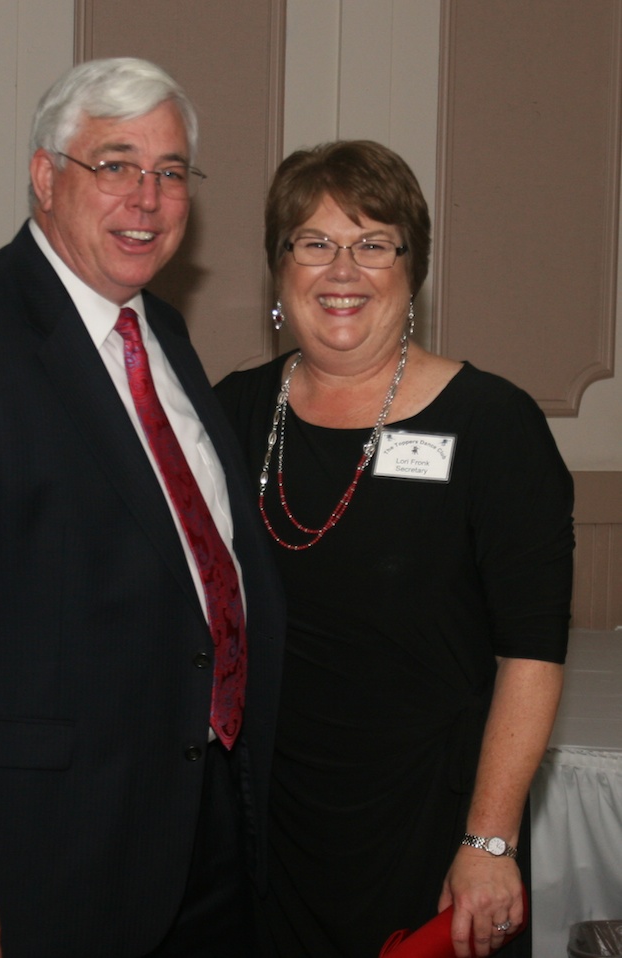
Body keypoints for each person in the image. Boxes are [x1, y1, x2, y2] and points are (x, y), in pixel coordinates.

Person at [0, 57, 285, 958]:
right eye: (115, 165)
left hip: (204, 829)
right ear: (45, 176)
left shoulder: (163, 333)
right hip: (43, 859)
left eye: (170, 172)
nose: (147, 199)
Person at [215, 140, 573, 958]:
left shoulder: (494, 426)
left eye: (374, 243)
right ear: (279, 268)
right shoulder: (231, 413)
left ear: (413, 272)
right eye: (314, 242)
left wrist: (489, 842)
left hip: (433, 827)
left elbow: (531, 654)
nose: (343, 270)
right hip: (268, 829)